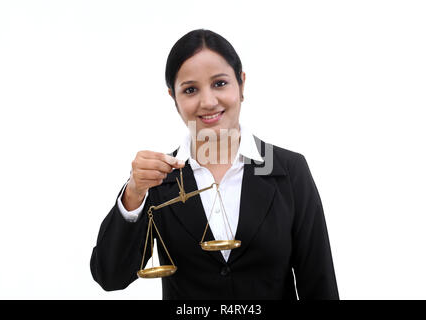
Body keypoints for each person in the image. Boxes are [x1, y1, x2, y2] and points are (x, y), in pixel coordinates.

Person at [90, 29, 339, 300]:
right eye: (190, 89)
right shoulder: (161, 178)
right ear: (173, 97)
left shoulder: (288, 170)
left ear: (241, 84)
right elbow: (110, 276)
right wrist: (134, 193)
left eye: (220, 83)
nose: (208, 102)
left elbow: (318, 282)